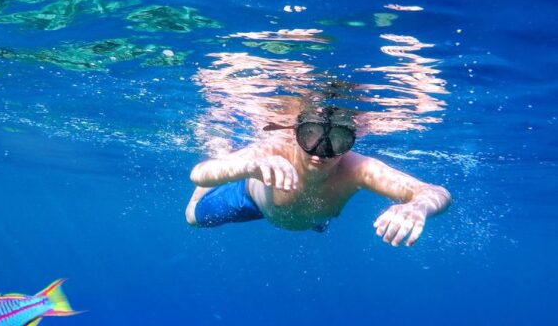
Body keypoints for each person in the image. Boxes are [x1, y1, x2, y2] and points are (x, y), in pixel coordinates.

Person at [185, 105, 451, 246]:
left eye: (336, 140)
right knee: (192, 217)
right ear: (295, 134)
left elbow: (437, 192)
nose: (320, 153)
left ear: (350, 142)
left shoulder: (359, 169)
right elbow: (200, 174)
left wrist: (418, 206)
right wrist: (248, 168)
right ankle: (222, 149)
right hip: (251, 202)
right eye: (310, 136)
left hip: (313, 215)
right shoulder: (272, 150)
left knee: (318, 221)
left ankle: (319, 219)